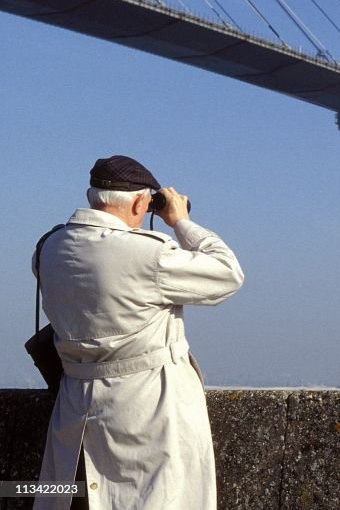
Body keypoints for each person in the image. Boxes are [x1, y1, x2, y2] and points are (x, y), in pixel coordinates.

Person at [34, 155, 244, 510]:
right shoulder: (149, 254)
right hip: (148, 409)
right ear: (137, 202)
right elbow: (228, 274)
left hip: (75, 403)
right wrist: (181, 222)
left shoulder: (49, 249)